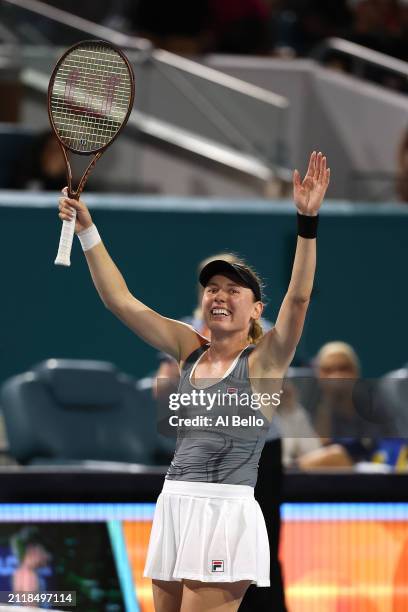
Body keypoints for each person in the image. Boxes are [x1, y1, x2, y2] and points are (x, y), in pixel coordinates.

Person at [58, 150, 330, 612]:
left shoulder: (264, 362)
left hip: (225, 513)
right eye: (212, 289)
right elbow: (121, 302)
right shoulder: (188, 349)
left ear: (256, 309)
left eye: (233, 290)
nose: (220, 296)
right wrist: (87, 229)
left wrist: (307, 222)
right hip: (175, 505)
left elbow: (299, 298)